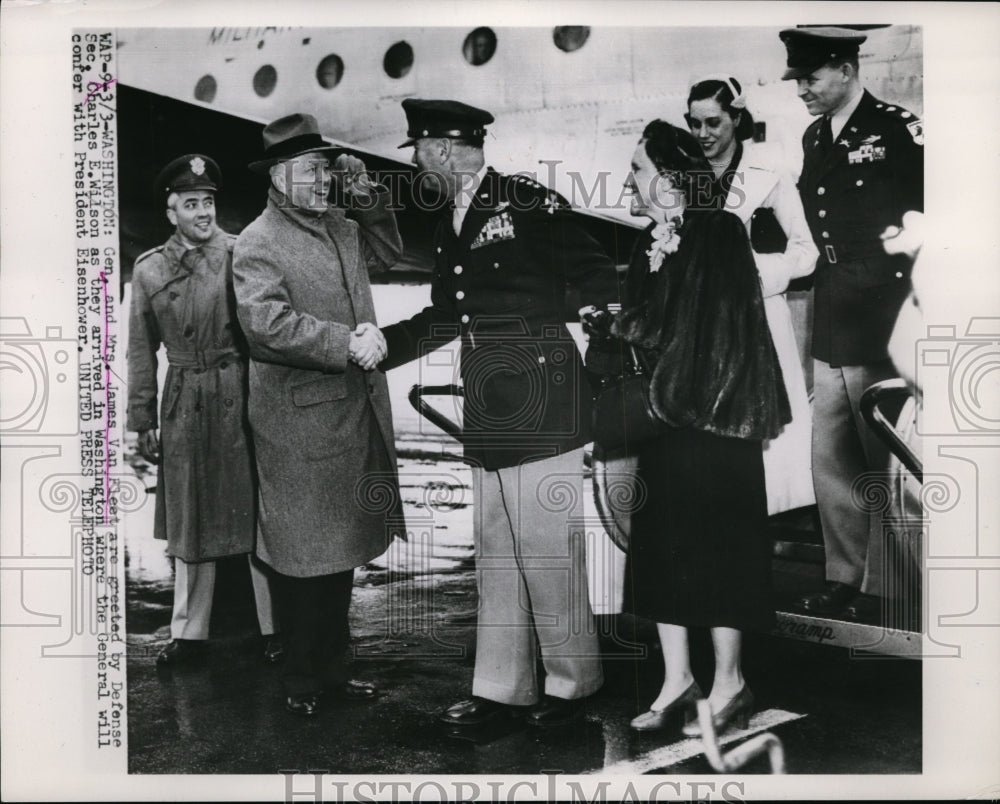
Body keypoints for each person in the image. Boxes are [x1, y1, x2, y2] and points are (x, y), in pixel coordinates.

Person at [381, 98, 618, 728]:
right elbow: (444, 317)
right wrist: (385, 347)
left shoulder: (527, 203)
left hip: (544, 400)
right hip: (489, 403)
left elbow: (598, 272)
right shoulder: (451, 221)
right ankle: (502, 688)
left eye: (424, 155)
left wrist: (598, 350)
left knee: (546, 550)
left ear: (443, 150)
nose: (422, 169)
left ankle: (575, 685)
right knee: (498, 552)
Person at [613, 121, 789, 734]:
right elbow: (645, 315)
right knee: (662, 546)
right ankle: (678, 679)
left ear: (672, 175)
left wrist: (627, 331)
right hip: (669, 418)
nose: (630, 182)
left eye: (639, 170)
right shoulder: (652, 239)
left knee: (720, 551)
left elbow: (701, 331)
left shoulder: (717, 232)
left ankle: (731, 682)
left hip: (717, 420)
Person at [233, 114, 404, 715]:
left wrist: (368, 195)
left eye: (327, 168)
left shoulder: (339, 224)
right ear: (280, 176)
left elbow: (390, 252)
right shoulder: (258, 240)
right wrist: (343, 342)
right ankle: (304, 684)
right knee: (302, 560)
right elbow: (265, 326)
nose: (324, 179)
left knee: (338, 556)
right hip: (297, 424)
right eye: (313, 170)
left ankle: (334, 672)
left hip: (345, 416)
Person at [779, 27, 924, 621]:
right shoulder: (817, 136)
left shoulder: (898, 129)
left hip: (884, 308)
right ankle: (845, 573)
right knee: (831, 450)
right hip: (834, 301)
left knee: (881, 452)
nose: (802, 91)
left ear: (843, 68)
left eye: (810, 78)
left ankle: (889, 586)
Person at [126, 154, 280, 667]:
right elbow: (140, 350)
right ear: (172, 212)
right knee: (190, 519)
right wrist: (142, 418)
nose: (203, 212)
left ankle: (273, 628)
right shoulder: (149, 270)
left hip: (240, 392)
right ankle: (189, 635)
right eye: (191, 204)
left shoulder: (241, 253)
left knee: (257, 513)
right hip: (185, 399)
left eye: (208, 201)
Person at [685, 74, 818, 515]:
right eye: (694, 123)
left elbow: (806, 250)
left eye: (714, 123)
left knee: (766, 440)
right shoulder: (684, 177)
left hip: (758, 315)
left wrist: (758, 274)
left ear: (736, 118)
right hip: (702, 324)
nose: (702, 134)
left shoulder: (769, 172)